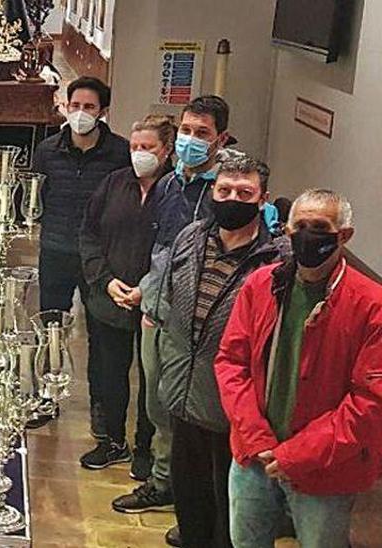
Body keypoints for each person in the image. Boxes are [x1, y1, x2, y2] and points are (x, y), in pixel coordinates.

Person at [216, 189, 382, 548]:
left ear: (344, 235)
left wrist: (294, 455)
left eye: (320, 227)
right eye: (300, 226)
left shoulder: (372, 306)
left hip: (326, 471)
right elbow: (231, 362)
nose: (308, 235)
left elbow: (370, 404)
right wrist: (256, 438)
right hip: (253, 459)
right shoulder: (261, 285)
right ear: (287, 232)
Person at [156, 157, 289, 548]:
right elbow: (168, 299)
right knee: (190, 505)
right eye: (225, 190)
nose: (233, 199)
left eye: (245, 193)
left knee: (231, 518)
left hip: (236, 411)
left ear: (262, 199)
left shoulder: (278, 260)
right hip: (184, 394)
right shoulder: (191, 237)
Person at [135, 95, 239, 545]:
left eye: (202, 134)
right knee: (158, 404)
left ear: (221, 140)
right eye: (186, 131)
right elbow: (160, 252)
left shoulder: (226, 193)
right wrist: (146, 297)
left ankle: (202, 512)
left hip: (198, 325)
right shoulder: (169, 184)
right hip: (156, 311)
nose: (191, 141)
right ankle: (163, 483)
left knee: (197, 419)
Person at [30, 76, 132, 431]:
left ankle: (102, 413)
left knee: (102, 335)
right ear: (66, 107)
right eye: (75, 106)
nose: (81, 114)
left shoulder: (121, 153)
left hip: (99, 260)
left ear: (103, 111)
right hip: (55, 250)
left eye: (89, 107)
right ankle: (47, 396)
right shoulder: (47, 149)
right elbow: (37, 197)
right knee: (50, 327)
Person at [77, 115, 174, 473]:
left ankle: (146, 448)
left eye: (147, 148)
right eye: (134, 147)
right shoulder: (113, 184)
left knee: (153, 380)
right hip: (110, 298)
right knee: (109, 374)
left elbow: (178, 250)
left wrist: (146, 289)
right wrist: (105, 281)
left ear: (166, 150)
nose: (139, 154)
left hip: (155, 304)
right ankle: (113, 441)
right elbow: (88, 235)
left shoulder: (174, 193)